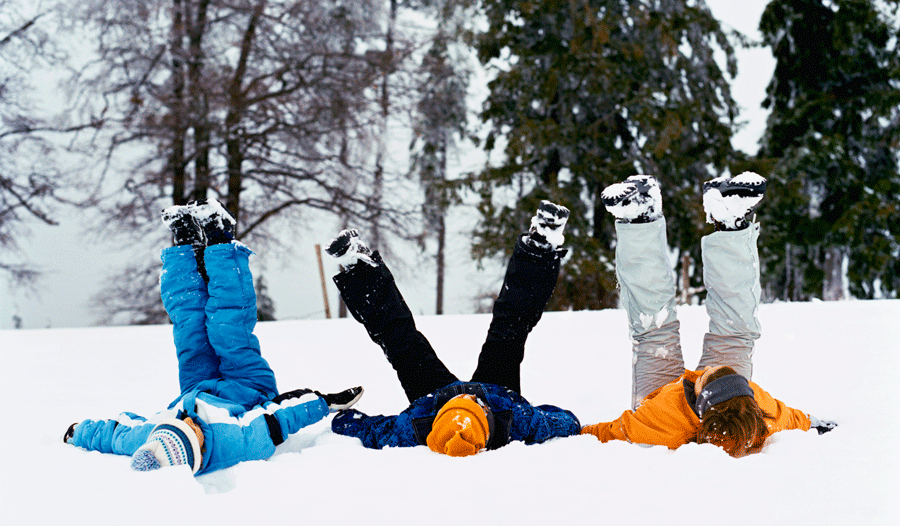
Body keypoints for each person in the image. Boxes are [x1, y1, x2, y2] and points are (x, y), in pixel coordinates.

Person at [64, 199, 363, 475]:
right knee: (226, 324)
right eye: (191, 432)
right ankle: (220, 238)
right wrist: (325, 401)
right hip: (248, 385)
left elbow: (116, 435)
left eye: (179, 424)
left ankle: (185, 242)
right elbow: (283, 416)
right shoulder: (238, 443)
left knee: (189, 328)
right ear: (198, 450)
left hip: (196, 385)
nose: (189, 422)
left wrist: (80, 432)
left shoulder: (152, 434)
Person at [580, 173, 837, 457]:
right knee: (736, 332)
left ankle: (640, 218)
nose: (706, 370)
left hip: (664, 401)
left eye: (708, 375)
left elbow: (607, 433)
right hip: (724, 401)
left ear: (700, 394)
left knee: (654, 330)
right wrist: (815, 424)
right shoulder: (763, 412)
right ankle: (730, 222)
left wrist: (568, 431)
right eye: (720, 372)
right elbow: (792, 419)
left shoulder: (658, 422)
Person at [325, 201, 581, 457]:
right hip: (492, 396)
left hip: (436, 399)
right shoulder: (511, 419)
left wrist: (347, 421)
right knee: (503, 334)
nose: (465, 400)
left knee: (407, 344)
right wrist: (349, 420)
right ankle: (539, 245)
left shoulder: (419, 425)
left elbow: (373, 431)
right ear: (486, 424)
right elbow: (565, 422)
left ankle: (358, 267)